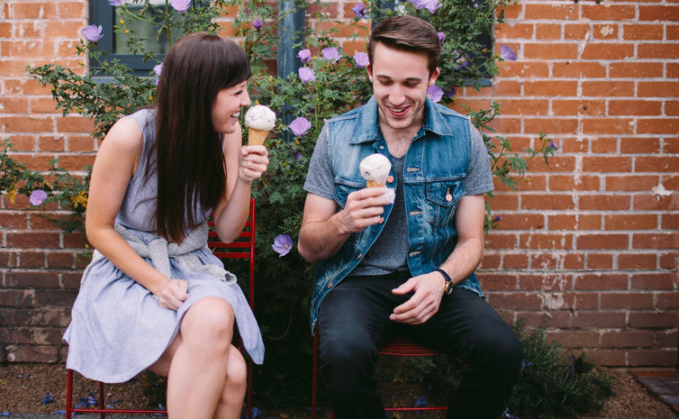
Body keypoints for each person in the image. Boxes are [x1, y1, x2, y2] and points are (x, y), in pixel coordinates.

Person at [298, 16, 522, 419]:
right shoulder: (337, 136)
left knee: (502, 350)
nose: (396, 96)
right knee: (344, 353)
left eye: (410, 84)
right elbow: (307, 246)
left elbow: (472, 240)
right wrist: (343, 221)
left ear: (433, 77)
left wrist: (441, 280)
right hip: (356, 282)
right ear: (369, 74)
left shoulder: (462, 137)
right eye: (385, 81)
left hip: (435, 278)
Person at [63, 32, 269, 419]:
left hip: (191, 269)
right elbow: (98, 229)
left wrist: (244, 178)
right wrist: (157, 283)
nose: (245, 102)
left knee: (216, 323)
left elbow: (226, 232)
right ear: (201, 92)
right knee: (233, 371)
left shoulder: (228, 135)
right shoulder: (131, 135)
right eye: (237, 91)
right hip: (127, 274)